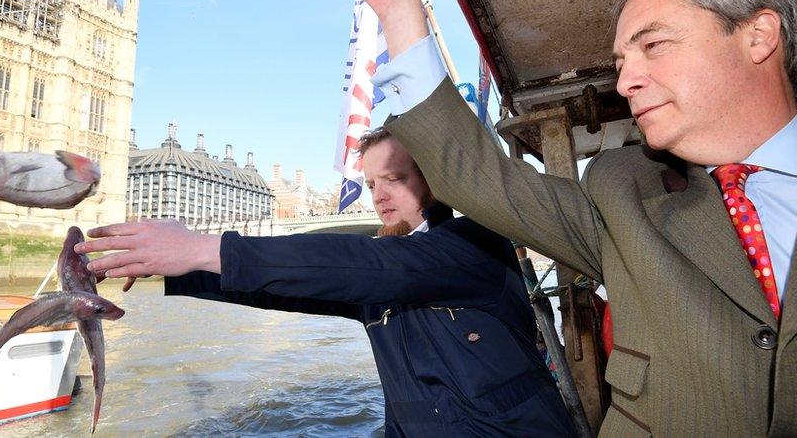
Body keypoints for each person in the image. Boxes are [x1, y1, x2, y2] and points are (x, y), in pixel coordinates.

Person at [337, 0, 797, 435]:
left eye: (654, 45)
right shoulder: (623, 193)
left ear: (758, 36)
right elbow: (477, 177)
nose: (625, 81)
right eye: (621, 61)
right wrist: (398, 7)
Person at [78, 129, 576, 437]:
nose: (379, 196)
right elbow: (289, 285)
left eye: (394, 178)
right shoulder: (383, 264)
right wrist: (181, 266)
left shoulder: (470, 245)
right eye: (372, 182)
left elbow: (368, 265)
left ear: (433, 180)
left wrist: (200, 247)